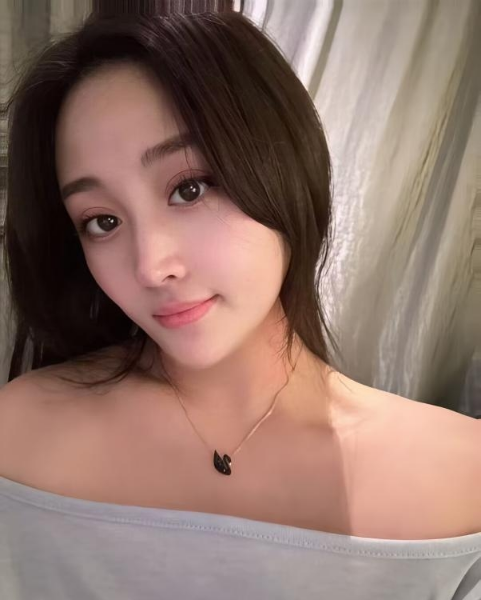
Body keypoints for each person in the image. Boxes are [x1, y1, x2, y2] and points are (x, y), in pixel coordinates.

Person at [0, 6, 480, 599]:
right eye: (102, 221)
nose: (151, 266)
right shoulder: (19, 436)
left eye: (189, 188)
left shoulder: (462, 482)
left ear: (285, 167)